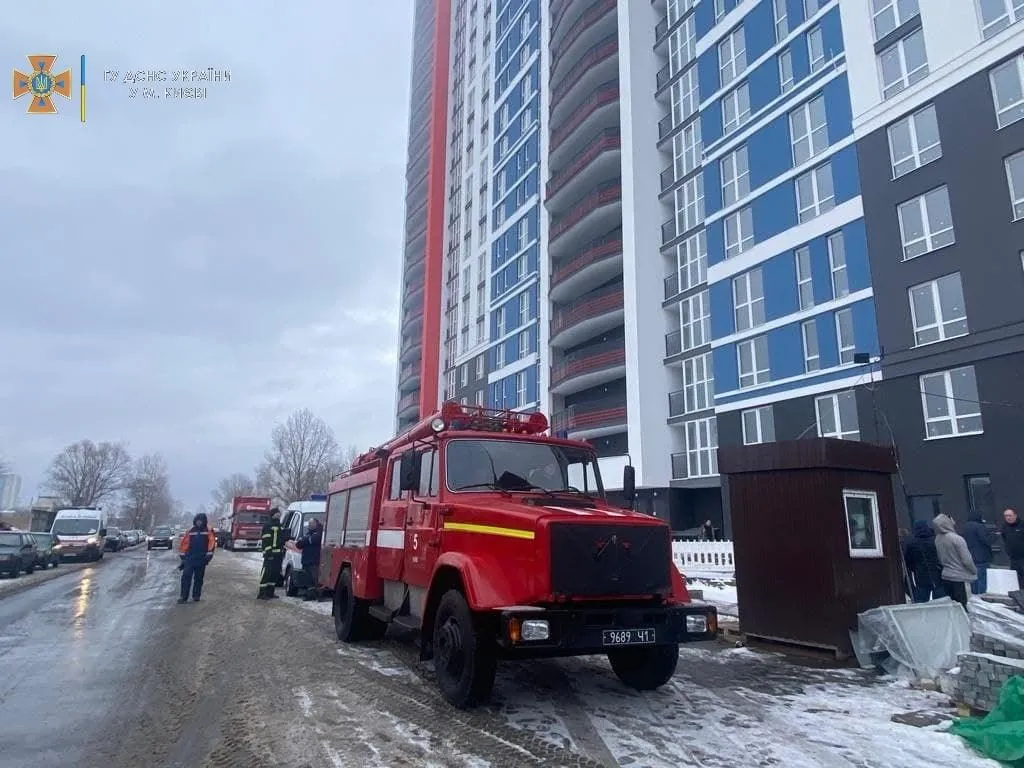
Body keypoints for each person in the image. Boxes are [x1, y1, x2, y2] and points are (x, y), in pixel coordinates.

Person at [932, 514, 977, 610]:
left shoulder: (937, 539)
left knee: (954, 607)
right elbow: (966, 560)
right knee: (964, 606)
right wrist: (974, 571)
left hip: (946, 575)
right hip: (960, 577)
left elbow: (940, 558)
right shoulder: (957, 539)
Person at [178, 512, 215, 604]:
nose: (199, 523)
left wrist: (208, 556)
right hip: (190, 557)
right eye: (197, 521)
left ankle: (196, 595)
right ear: (195, 521)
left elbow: (212, 543)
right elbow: (185, 543)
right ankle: (183, 597)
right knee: (186, 577)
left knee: (199, 578)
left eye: (201, 521)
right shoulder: (191, 531)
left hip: (201, 558)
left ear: (204, 521)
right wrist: (183, 555)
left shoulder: (209, 530)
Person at [903, 520, 944, 603]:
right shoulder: (935, 541)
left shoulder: (912, 543)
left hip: (920, 573)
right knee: (940, 599)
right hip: (936, 572)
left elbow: (908, 561)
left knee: (921, 598)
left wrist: (914, 568)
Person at [963, 513, 995, 595]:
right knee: (982, 579)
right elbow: (986, 540)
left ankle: (974, 597)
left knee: (974, 580)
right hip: (982, 557)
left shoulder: (965, 527)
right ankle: (981, 597)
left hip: (970, 557)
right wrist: (994, 536)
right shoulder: (979, 526)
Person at [257, 507, 286, 600]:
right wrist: (268, 552)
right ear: (273, 514)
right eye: (277, 513)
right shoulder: (268, 525)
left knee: (275, 574)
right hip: (270, 554)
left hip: (278, 554)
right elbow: (266, 540)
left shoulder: (280, 525)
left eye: (279, 513)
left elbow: (281, 538)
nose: (279, 514)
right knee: (266, 573)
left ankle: (270, 592)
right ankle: (262, 593)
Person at [292, 518, 323, 600]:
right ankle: (310, 595)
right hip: (306, 561)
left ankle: (319, 596)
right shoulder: (308, 534)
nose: (309, 525)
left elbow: (315, 539)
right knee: (308, 581)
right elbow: (298, 545)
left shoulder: (319, 533)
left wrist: (305, 540)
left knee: (316, 580)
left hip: (314, 561)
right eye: (309, 524)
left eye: (311, 524)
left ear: (316, 524)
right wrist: (307, 540)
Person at [1000, 508, 1024, 588]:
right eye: (1006, 516)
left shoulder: (1022, 525)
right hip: (1013, 559)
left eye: (1010, 515)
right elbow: (1004, 539)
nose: (1008, 518)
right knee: (1016, 580)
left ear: (1015, 515)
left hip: (1022, 557)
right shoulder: (1004, 527)